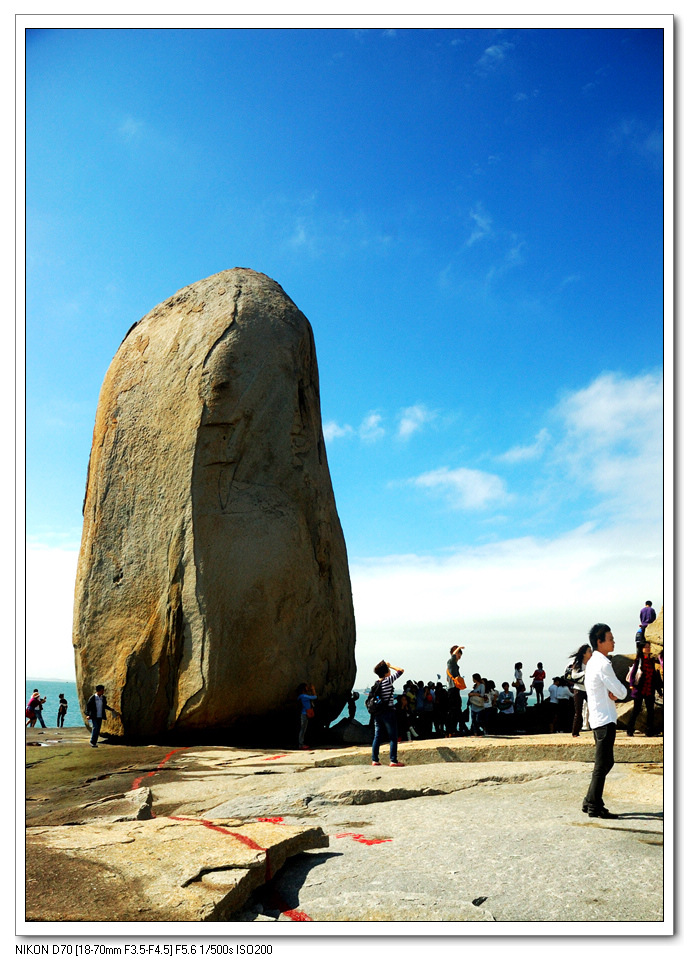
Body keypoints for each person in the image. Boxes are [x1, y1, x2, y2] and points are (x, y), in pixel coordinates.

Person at [581, 624, 627, 819]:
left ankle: (590, 800)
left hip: (598, 718)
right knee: (602, 765)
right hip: (605, 720)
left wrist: (614, 694)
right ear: (599, 642)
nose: (613, 641)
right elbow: (621, 691)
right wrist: (618, 694)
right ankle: (594, 805)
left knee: (606, 762)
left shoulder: (592, 662)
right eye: (610, 638)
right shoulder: (603, 664)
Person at [371, 660, 405, 767]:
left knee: (377, 736)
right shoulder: (388, 680)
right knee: (393, 737)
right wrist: (391, 666)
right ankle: (393, 760)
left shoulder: (377, 683)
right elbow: (401, 670)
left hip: (378, 713)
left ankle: (375, 760)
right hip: (388, 712)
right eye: (388, 670)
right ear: (386, 672)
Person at [626, 639, 663, 737]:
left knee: (650, 710)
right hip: (639, 689)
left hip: (649, 689)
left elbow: (655, 677)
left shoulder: (651, 661)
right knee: (636, 709)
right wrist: (632, 685)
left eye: (648, 647)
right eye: (646, 647)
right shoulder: (639, 660)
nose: (648, 648)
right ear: (641, 649)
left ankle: (649, 731)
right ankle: (630, 729)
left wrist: (659, 690)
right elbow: (634, 673)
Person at [569, 644, 592, 737]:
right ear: (584, 654)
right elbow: (574, 675)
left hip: (589, 689)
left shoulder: (592, 663)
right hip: (579, 689)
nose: (591, 653)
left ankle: (594, 728)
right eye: (589, 651)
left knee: (593, 709)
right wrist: (584, 672)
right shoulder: (578, 663)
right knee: (578, 712)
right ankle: (575, 733)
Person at [445, 645, 465, 737]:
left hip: (455, 689)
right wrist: (458, 648)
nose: (459, 655)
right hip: (452, 689)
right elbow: (453, 655)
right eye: (458, 653)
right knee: (453, 710)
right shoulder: (451, 662)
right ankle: (450, 730)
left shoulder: (454, 664)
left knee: (456, 709)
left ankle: (453, 730)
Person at [297, 683, 317, 749]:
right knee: (303, 729)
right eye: (306, 687)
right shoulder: (303, 696)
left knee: (303, 729)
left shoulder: (301, 696)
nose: (307, 688)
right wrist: (313, 690)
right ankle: (301, 744)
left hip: (304, 713)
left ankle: (302, 743)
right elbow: (315, 697)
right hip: (304, 714)